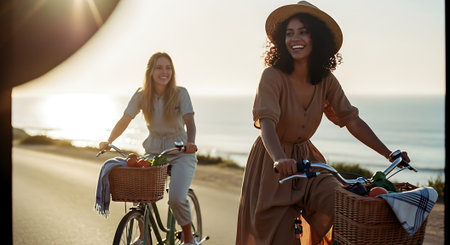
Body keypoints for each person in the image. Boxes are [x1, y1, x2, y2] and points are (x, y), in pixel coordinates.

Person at [235, 1, 410, 245]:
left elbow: (352, 119)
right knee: (274, 237)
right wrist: (279, 158)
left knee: (341, 201)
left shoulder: (326, 80)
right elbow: (267, 122)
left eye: (303, 31)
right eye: (289, 33)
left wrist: (388, 153)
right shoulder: (272, 76)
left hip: (308, 161)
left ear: (317, 38)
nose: (295, 38)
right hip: (272, 164)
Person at [99, 52, 198, 245]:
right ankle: (143, 237)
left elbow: (190, 121)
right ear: (150, 71)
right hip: (154, 151)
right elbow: (125, 119)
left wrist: (190, 142)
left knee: (176, 198)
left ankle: (188, 239)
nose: (164, 72)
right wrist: (108, 140)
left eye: (168, 68)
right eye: (159, 67)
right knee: (139, 190)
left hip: (180, 152)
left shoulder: (180, 93)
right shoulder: (141, 95)